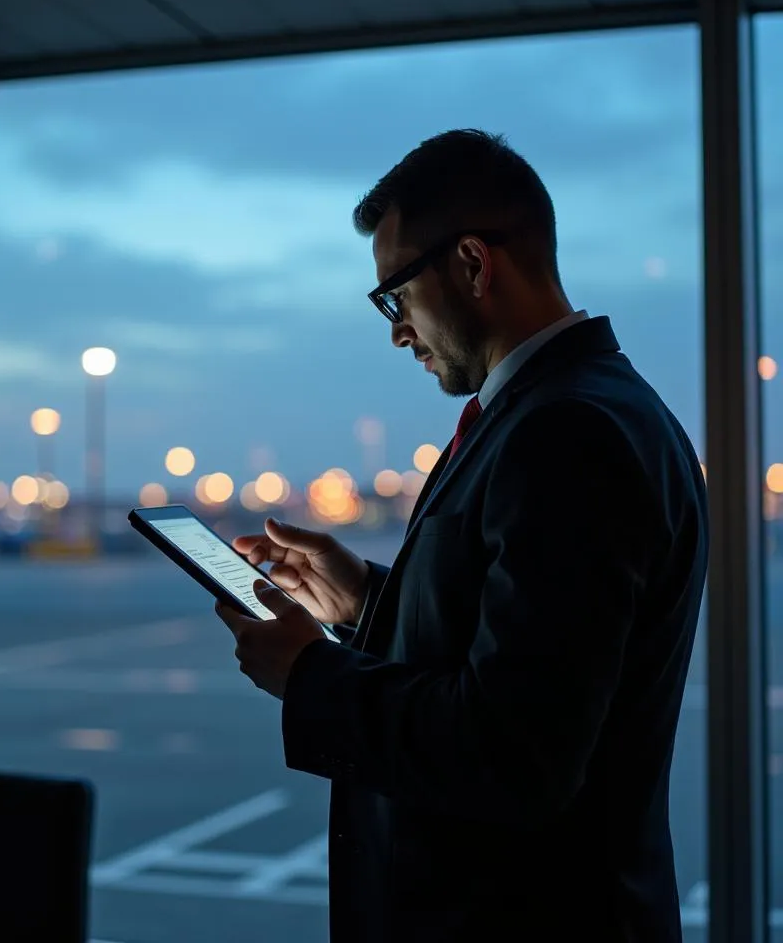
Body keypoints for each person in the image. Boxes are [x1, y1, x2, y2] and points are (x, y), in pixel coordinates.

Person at [215, 129, 708, 942]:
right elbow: (520, 637)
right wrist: (368, 599)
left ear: (474, 264)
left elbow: (516, 753)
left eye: (396, 297)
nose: (397, 332)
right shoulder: (573, 409)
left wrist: (311, 674)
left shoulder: (568, 434)